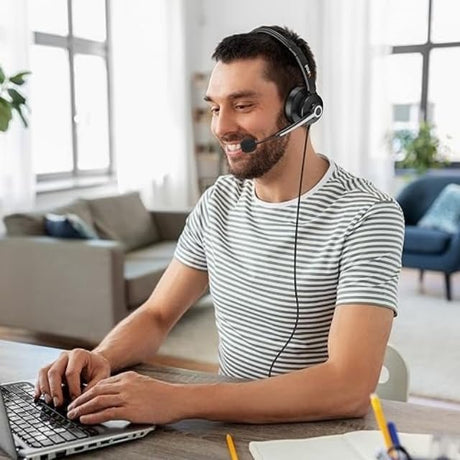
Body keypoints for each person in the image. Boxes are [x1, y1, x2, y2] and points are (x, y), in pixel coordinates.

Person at [35, 25, 404, 425]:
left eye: (242, 106)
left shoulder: (368, 214)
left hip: (316, 434)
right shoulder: (218, 202)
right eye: (215, 107)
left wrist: (179, 400)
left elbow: (348, 388)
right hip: (226, 426)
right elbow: (158, 314)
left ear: (301, 109)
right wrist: (100, 358)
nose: (221, 127)